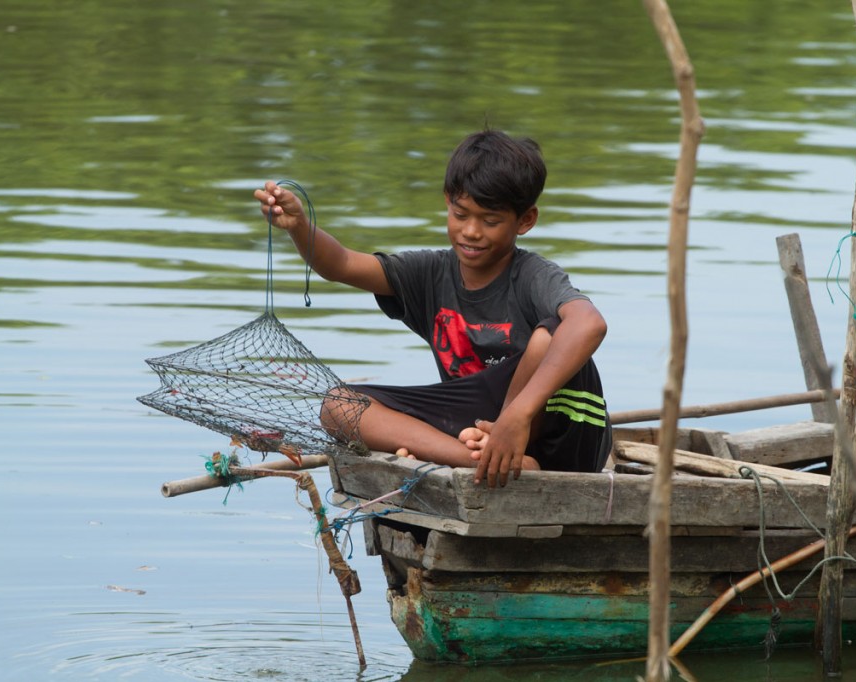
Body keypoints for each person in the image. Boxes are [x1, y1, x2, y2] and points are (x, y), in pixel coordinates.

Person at [254, 129, 611, 487]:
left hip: (561, 438)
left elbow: (589, 323)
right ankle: (473, 459)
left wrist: (515, 417)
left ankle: (494, 447)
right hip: (475, 433)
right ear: (447, 202)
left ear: (525, 221)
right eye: (461, 214)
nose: (471, 231)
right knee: (339, 405)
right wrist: (299, 226)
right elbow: (342, 264)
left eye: (490, 221)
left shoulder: (533, 276)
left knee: (547, 338)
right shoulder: (430, 272)